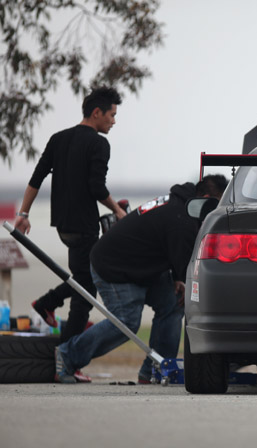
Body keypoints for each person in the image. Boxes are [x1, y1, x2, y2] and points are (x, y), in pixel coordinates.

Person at [53, 175, 228, 384]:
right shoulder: (180, 219)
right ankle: (67, 355)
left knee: (173, 303)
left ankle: (155, 370)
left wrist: (177, 280)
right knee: (126, 322)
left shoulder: (180, 206)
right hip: (114, 265)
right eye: (217, 206)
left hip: (141, 265)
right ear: (206, 199)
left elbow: (170, 252)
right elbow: (190, 272)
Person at [16, 86, 127, 349]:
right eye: (111, 114)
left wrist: (23, 213)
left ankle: (47, 306)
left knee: (82, 280)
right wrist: (118, 210)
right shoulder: (99, 143)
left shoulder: (58, 138)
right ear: (96, 112)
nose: (114, 120)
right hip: (84, 226)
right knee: (85, 293)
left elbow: (37, 178)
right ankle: (66, 356)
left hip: (63, 227)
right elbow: (97, 188)